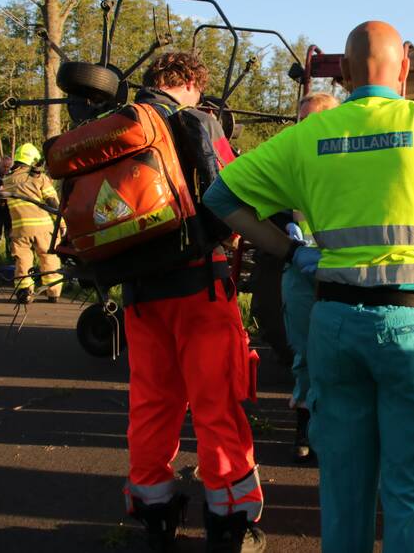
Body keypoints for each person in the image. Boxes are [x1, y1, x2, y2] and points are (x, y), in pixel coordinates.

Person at [204, 20, 414, 553]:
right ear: (405, 68)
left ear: (343, 73)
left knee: (344, 487)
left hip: (333, 322)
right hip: (413, 323)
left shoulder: (308, 134)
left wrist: (291, 252)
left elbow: (219, 198)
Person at [123, 52, 264, 553]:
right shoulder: (195, 120)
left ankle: (154, 514)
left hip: (138, 292)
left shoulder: (113, 126)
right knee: (216, 404)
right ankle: (230, 523)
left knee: (152, 404)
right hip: (198, 286)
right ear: (188, 82)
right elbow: (232, 192)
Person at [279, 91, 339, 462]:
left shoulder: (351, 162)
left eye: (314, 120)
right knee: (304, 352)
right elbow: (266, 201)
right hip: (301, 270)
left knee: (337, 353)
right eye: (302, 120)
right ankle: (304, 426)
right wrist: (286, 229)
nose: (306, 127)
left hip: (341, 271)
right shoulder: (289, 158)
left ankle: (334, 427)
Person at [3, 145, 61, 304]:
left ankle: (24, 292)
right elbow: (52, 202)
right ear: (33, 160)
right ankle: (53, 293)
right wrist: (61, 223)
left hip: (20, 229)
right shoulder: (39, 178)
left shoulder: (7, 179)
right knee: (49, 257)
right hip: (43, 227)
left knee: (23, 260)